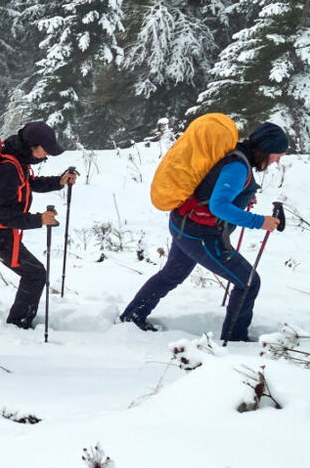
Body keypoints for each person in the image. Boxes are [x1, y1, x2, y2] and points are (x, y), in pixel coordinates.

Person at [119, 122, 290, 342]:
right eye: (277, 155)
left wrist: (242, 197)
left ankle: (133, 316)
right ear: (265, 149)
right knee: (248, 282)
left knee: (171, 275)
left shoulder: (234, 155)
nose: (277, 160)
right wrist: (259, 222)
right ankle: (235, 340)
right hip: (202, 235)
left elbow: (213, 189)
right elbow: (218, 206)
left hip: (183, 224)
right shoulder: (238, 166)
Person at [0, 122, 77, 329]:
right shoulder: (9, 167)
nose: (47, 155)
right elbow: (5, 216)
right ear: (31, 146)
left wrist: (58, 182)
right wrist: (39, 219)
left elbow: (28, 183)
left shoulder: (15, 158)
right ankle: (18, 325)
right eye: (45, 150)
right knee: (35, 274)